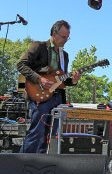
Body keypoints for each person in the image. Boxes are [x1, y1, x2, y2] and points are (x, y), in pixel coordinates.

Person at [17, 20, 81, 153]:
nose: (65, 40)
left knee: (49, 135)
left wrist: (73, 81)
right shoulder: (39, 46)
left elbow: (62, 80)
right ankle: (22, 164)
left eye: (67, 37)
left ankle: (39, 165)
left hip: (57, 98)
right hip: (39, 95)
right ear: (54, 33)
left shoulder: (65, 55)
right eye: (63, 37)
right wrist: (40, 79)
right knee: (36, 132)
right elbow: (21, 65)